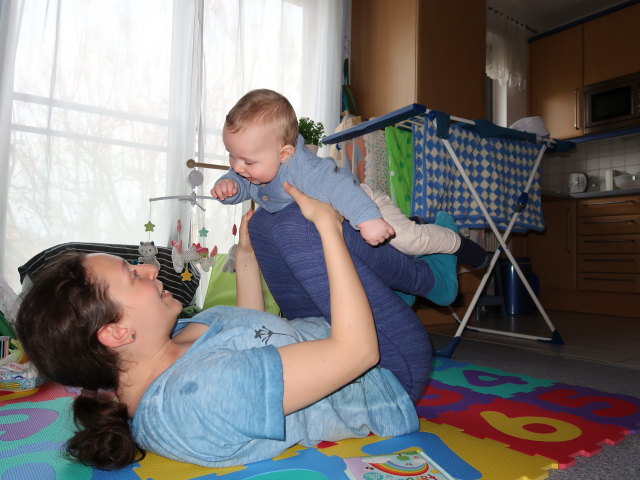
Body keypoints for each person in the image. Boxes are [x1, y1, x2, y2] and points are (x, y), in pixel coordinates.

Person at [15, 184, 456, 470]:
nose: (149, 271)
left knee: (265, 224)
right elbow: (359, 353)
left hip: (316, 329)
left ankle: (398, 280)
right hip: (383, 373)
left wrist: (245, 256)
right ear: (114, 332)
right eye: (133, 276)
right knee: (303, 226)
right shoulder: (197, 396)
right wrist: (328, 227)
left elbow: (253, 331)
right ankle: (432, 278)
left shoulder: (166, 350)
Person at [211, 88, 487, 268]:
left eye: (247, 161)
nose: (237, 166)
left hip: (361, 202)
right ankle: (412, 221)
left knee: (407, 242)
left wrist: (368, 218)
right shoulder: (251, 168)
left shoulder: (304, 170)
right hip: (342, 213)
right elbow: (242, 185)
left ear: (284, 154)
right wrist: (230, 187)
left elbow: (341, 188)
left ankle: (455, 241)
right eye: (231, 155)